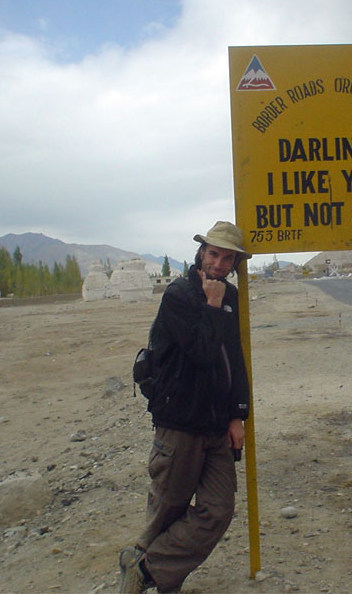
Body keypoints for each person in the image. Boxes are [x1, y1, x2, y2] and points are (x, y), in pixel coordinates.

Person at [118, 221, 251, 594]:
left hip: (216, 425)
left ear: (235, 263)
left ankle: (147, 569)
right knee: (170, 506)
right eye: (214, 254)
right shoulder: (179, 295)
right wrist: (210, 304)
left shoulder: (231, 297)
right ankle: (157, 573)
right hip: (179, 422)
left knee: (218, 510)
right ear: (201, 254)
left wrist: (237, 414)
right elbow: (203, 355)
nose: (220, 264)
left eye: (228, 258)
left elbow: (233, 359)